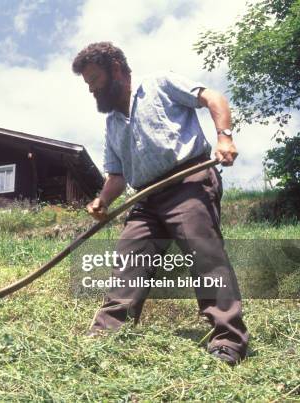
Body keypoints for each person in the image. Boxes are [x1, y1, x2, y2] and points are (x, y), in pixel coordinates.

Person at [72, 42, 249, 366]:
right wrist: (102, 200)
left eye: (94, 79)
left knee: (205, 259)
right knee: (128, 266)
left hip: (187, 182)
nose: (92, 89)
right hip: (145, 198)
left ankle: (228, 340)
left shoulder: (159, 84)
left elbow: (213, 97)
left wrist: (224, 136)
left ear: (115, 69)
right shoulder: (112, 122)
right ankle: (106, 337)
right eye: (88, 84)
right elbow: (117, 176)